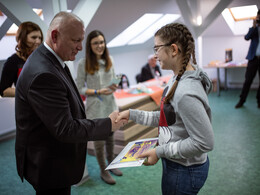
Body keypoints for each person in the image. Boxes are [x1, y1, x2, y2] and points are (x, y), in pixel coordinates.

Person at [15, 12, 126, 194]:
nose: (80, 47)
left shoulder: (51, 60)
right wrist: (109, 123)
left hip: (52, 155)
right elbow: (65, 128)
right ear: (55, 36)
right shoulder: (44, 73)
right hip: (48, 164)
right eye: (76, 41)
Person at [116, 23, 214, 195]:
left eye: (157, 48)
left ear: (174, 49)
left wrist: (159, 151)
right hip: (177, 163)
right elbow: (166, 118)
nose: (155, 55)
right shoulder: (177, 77)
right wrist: (132, 114)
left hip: (184, 170)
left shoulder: (186, 93)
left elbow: (204, 142)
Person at [76, 30, 123, 185]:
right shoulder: (84, 63)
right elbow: (79, 88)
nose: (99, 45)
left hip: (110, 104)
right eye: (95, 43)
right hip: (95, 107)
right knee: (99, 142)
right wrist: (97, 91)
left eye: (102, 42)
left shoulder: (110, 59)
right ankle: (103, 171)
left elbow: (114, 79)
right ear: (89, 45)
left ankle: (112, 165)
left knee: (111, 138)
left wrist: (115, 86)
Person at [0, 21, 43, 97]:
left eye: (40, 38)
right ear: (23, 38)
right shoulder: (12, 61)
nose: (38, 41)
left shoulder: (42, 59)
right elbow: (4, 90)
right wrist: (31, 93)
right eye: (34, 37)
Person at [235, 9, 260, 109]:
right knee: (248, 80)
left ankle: (259, 101)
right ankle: (242, 100)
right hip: (253, 58)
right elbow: (246, 37)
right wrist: (255, 26)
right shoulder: (254, 28)